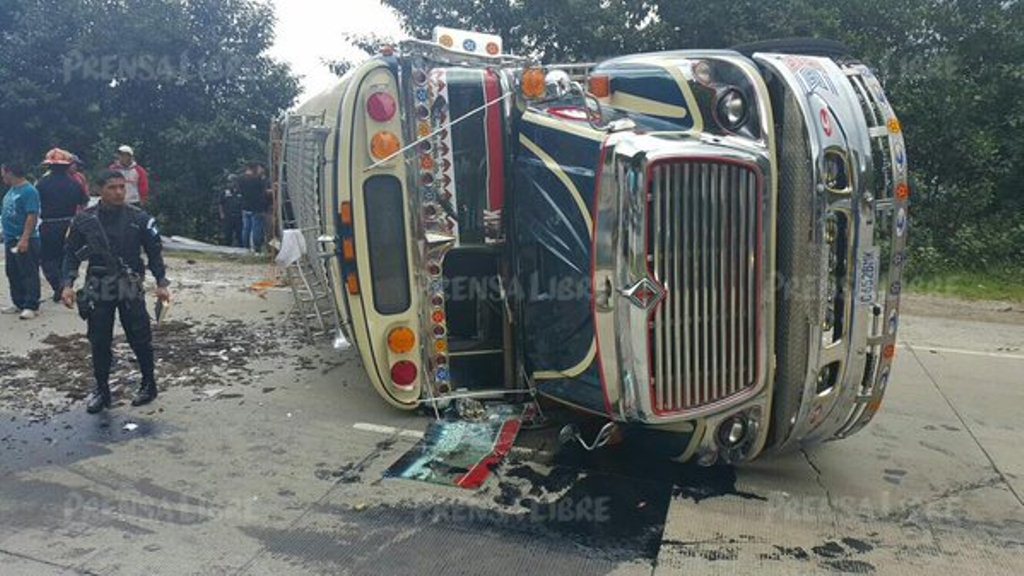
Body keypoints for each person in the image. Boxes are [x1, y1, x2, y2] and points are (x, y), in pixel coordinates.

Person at [62, 170, 171, 413]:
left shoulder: (139, 218)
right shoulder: (85, 220)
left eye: (122, 187)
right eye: (112, 187)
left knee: (140, 338)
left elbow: (154, 253)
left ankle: (148, 384)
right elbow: (70, 254)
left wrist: (161, 282)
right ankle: (102, 390)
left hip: (129, 284)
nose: (119, 192)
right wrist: (67, 284)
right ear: (100, 190)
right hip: (98, 286)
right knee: (99, 340)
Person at [36, 148, 88, 301]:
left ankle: (58, 286)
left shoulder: (42, 183)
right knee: (67, 257)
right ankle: (65, 285)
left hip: (49, 225)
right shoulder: (75, 183)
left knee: (47, 259)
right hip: (70, 224)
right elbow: (83, 202)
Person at [1, 161, 42, 320]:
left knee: (28, 272)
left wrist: (25, 238)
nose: (2, 175)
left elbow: (32, 215)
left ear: (10, 172)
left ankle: (31, 304)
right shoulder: (11, 190)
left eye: (3, 171)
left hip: (25, 239)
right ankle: (18, 301)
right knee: (13, 271)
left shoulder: (29, 191)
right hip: (10, 239)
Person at [238, 162, 270, 253]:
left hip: (245, 206)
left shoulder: (240, 179)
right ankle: (257, 249)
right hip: (257, 207)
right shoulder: (258, 180)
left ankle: (246, 248)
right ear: (255, 168)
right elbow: (263, 192)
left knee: (246, 228)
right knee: (256, 228)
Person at [218, 173, 243, 247]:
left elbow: (243, 203)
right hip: (228, 216)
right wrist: (221, 214)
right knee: (227, 234)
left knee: (239, 234)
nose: (231, 183)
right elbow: (220, 203)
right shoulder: (224, 192)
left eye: (232, 181)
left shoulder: (240, 192)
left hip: (238, 216)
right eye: (229, 182)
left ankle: (241, 248)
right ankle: (226, 247)